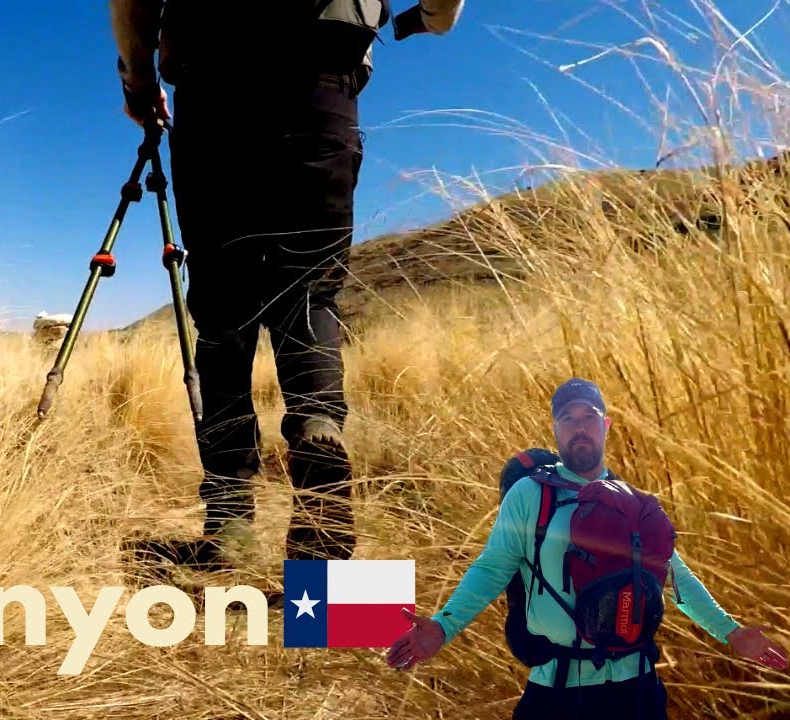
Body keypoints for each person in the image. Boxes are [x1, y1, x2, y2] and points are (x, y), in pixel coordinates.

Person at [107, 1, 465, 570]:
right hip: (323, 87)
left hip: (212, 92)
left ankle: (229, 530)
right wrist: (425, 19)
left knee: (224, 314)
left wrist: (139, 82)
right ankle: (318, 444)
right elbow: (444, 8)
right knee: (310, 293)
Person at [385, 377, 789, 718]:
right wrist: (444, 625)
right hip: (558, 689)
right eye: (568, 419)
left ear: (606, 425)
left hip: (637, 687)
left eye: (589, 418)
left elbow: (675, 577)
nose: (580, 428)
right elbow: (493, 568)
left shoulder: (634, 502)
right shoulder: (531, 494)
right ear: (556, 430)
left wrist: (731, 633)